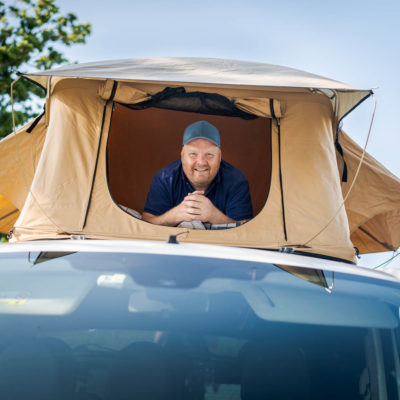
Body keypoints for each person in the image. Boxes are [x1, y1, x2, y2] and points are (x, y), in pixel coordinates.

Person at [142, 120, 253, 227]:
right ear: (182, 155)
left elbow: (248, 232)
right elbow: (145, 223)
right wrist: (175, 215)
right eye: (193, 154)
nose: (201, 162)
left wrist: (213, 216)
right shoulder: (165, 179)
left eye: (209, 154)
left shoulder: (236, 181)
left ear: (219, 156)